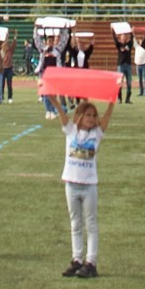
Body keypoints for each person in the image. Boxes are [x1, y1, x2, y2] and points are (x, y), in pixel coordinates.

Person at [50, 95, 107, 278]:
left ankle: (91, 262)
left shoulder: (97, 134)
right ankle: (77, 259)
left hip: (89, 185)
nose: (92, 119)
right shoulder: (71, 130)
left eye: (94, 115)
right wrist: (53, 98)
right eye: (88, 115)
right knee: (75, 223)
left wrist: (113, 100)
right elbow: (60, 111)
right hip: (71, 184)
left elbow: (107, 118)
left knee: (90, 223)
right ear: (80, 116)